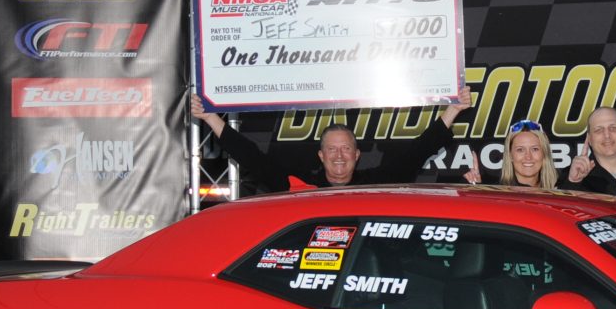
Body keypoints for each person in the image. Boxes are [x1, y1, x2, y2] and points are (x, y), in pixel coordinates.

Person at [190, 88, 471, 191]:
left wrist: (453, 110)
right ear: (321, 156)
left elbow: (417, 152)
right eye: (332, 149)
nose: (339, 155)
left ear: (357, 155)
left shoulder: (376, 185)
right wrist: (211, 118)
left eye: (346, 149)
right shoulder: (297, 185)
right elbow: (253, 158)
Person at [565, 106, 616, 196]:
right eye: (598, 130)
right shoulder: (571, 177)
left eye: (613, 128)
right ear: (589, 138)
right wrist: (573, 183)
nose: (607, 135)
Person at [464, 119, 559, 189]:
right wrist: (478, 192)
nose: (528, 157)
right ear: (510, 155)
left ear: (544, 153)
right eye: (520, 150)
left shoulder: (561, 192)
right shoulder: (496, 195)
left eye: (535, 149)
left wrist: (572, 182)